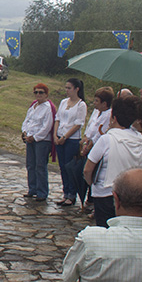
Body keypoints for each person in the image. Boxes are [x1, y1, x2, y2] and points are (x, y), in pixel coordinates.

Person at [84, 97, 142, 227]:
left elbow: (88, 169)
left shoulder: (107, 139)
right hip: (130, 193)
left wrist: (92, 183)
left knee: (105, 228)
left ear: (114, 118)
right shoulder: (140, 139)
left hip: (106, 192)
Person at [74, 87, 113, 210]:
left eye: (97, 101)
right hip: (88, 144)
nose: (94, 103)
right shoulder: (97, 112)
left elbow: (100, 132)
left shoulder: (108, 115)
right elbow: (91, 126)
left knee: (92, 172)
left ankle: (92, 201)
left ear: (104, 104)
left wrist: (89, 144)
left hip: (96, 147)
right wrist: (85, 138)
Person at [54, 78, 87, 207]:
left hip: (72, 139)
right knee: (62, 166)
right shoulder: (63, 102)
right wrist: (56, 134)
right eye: (66, 88)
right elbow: (58, 119)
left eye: (69, 88)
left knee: (70, 166)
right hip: (60, 135)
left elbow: (78, 124)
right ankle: (66, 192)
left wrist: (65, 137)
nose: (67, 90)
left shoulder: (81, 105)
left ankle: (72, 194)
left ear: (76, 89)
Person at [21, 83, 55, 202]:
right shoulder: (33, 106)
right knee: (31, 165)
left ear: (46, 94)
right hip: (30, 139)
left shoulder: (48, 108)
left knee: (40, 166)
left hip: (42, 141)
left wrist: (35, 137)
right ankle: (32, 188)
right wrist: (25, 132)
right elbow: (27, 120)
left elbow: (47, 126)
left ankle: (42, 192)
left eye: (41, 92)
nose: (38, 95)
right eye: (36, 92)